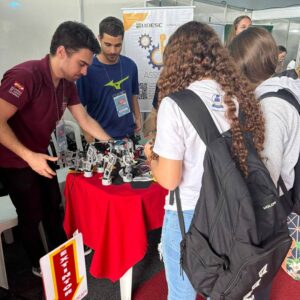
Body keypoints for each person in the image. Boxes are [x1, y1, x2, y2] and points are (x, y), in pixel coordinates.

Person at [144, 21, 264, 300]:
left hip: (187, 215)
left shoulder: (174, 104)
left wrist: (151, 157)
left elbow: (170, 179)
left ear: (176, 59)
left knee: (182, 293)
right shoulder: (235, 96)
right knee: (222, 288)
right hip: (231, 208)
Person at [0, 21, 111, 277]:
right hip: (15, 159)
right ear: (61, 52)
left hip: (42, 154)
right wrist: (28, 156)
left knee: (53, 205)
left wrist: (113, 143)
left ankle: (62, 252)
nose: (84, 71)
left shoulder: (66, 83)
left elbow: (84, 119)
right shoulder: (26, 76)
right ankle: (38, 265)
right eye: (81, 64)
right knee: (31, 214)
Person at [228, 26, 300, 300]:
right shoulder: (287, 90)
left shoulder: (269, 107)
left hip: (270, 207)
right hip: (284, 198)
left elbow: (264, 177)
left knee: (253, 279)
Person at [77, 16, 141, 141]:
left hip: (127, 137)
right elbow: (78, 107)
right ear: (99, 38)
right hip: (100, 138)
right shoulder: (87, 70)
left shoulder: (130, 66)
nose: (113, 50)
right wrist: (87, 134)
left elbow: (133, 95)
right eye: (108, 44)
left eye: (118, 45)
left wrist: (138, 117)